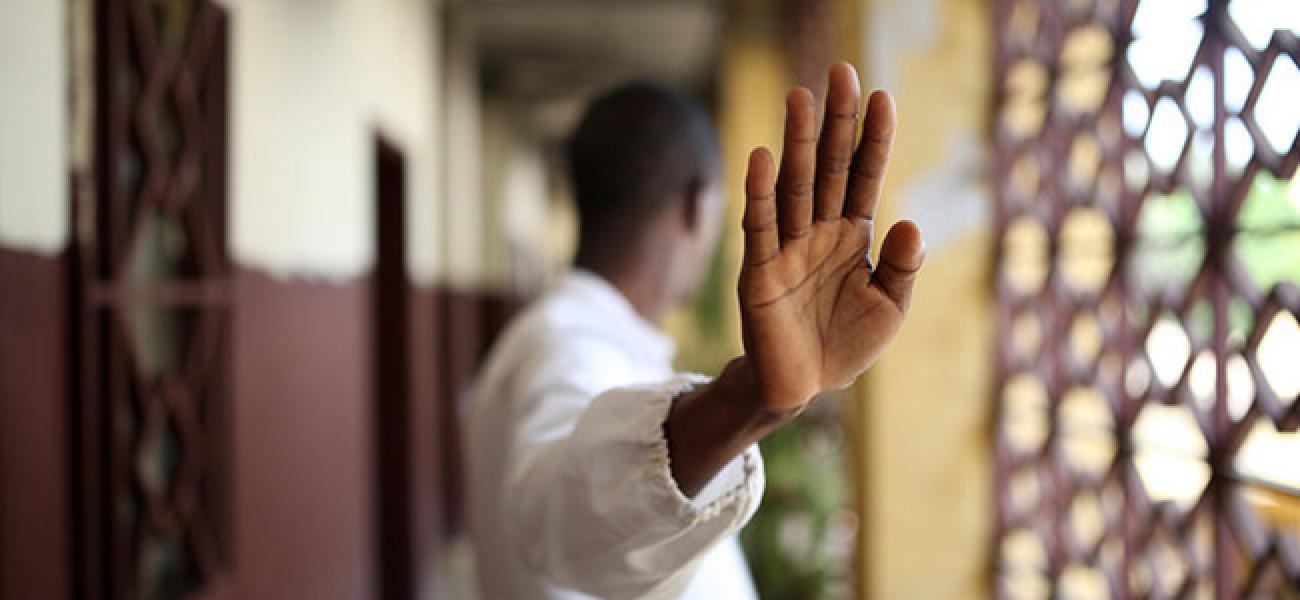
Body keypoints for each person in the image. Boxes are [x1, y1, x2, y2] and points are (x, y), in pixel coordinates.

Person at [465, 61, 925, 599]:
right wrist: (750, 398)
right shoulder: (566, 348)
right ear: (697, 204)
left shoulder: (565, 337)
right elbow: (566, 522)